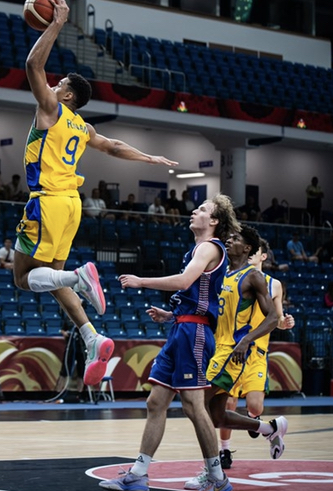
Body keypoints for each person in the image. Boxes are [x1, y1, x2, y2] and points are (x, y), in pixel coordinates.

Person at [13, 0, 177, 390]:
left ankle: (80, 277)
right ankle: (92, 336)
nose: (53, 84)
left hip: (48, 201)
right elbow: (115, 147)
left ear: (66, 95)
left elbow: (33, 63)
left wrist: (56, 25)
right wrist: (149, 159)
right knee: (51, 277)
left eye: (60, 84)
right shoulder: (83, 127)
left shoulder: (51, 109)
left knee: (22, 277)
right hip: (72, 205)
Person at [102, 195, 238, 491]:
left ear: (214, 221)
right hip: (182, 328)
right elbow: (194, 295)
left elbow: (184, 282)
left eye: (202, 209)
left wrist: (141, 281)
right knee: (156, 401)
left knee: (193, 405)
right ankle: (138, 474)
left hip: (195, 334)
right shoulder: (197, 249)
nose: (194, 211)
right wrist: (170, 314)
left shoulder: (210, 247)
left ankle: (217, 476)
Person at [193, 238, 294, 482]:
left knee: (207, 406)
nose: (229, 242)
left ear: (260, 255)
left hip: (246, 351)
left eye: (237, 240)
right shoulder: (227, 276)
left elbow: (274, 318)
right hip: (223, 349)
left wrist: (280, 324)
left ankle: (213, 470)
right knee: (217, 413)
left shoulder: (266, 282)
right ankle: (261, 432)